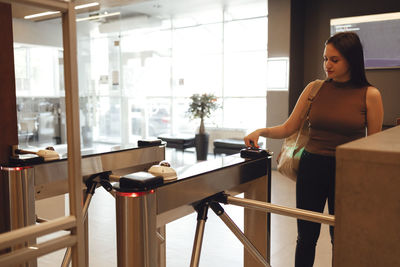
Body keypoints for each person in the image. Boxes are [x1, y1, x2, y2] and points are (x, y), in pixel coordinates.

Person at [244, 32, 384, 267]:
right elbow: (289, 127)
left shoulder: (370, 95)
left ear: (352, 60)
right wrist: (261, 131)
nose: (327, 65)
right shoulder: (314, 89)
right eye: (325, 59)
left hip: (347, 172)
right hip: (311, 167)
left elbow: (374, 145)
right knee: (306, 237)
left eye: (334, 60)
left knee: (341, 237)